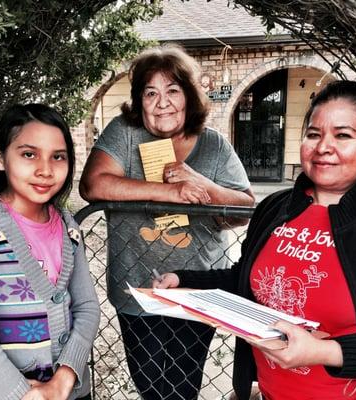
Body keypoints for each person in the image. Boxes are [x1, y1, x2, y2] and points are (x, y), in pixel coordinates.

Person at [154, 80, 356, 400]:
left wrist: (323, 352)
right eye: (314, 134)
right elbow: (246, 279)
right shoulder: (276, 208)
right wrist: (184, 280)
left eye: (343, 135)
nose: (323, 147)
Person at [79, 44, 255, 400]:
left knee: (183, 386)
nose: (162, 102)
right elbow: (93, 184)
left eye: (173, 90)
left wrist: (202, 184)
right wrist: (169, 192)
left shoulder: (214, 145)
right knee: (148, 386)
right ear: (139, 100)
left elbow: (246, 206)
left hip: (196, 289)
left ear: (188, 96)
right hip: (138, 288)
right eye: (151, 93)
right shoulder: (124, 133)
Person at [0, 104, 100, 400]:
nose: (45, 169)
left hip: (72, 391)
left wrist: (64, 379)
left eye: (58, 157)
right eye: (29, 154)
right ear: (0, 158)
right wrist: (27, 395)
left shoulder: (68, 227)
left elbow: (87, 307)